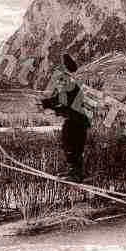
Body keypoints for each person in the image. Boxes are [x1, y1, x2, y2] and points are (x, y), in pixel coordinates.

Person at [40, 54, 91, 182]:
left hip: (77, 122)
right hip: (76, 121)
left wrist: (47, 105)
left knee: (71, 145)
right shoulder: (71, 84)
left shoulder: (70, 85)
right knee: (71, 145)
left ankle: (75, 174)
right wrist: (47, 104)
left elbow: (63, 102)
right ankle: (74, 172)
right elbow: (60, 100)